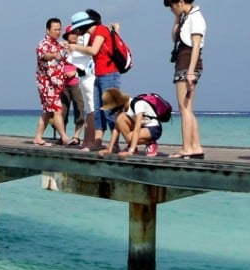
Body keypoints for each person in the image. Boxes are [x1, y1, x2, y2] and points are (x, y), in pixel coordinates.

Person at [164, 0, 207, 159]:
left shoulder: (196, 18)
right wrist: (176, 18)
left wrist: (190, 72)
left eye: (172, 6)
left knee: (184, 108)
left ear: (180, 2)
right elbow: (175, 38)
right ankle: (195, 146)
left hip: (188, 64)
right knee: (188, 108)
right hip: (184, 63)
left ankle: (187, 147)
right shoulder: (186, 17)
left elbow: (196, 44)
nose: (171, 9)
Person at [68, 9, 119, 150]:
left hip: (109, 74)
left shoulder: (101, 30)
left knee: (110, 110)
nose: (77, 32)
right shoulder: (92, 35)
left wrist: (75, 47)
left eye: (77, 28)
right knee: (98, 110)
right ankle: (97, 142)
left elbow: (93, 51)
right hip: (99, 74)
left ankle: (115, 144)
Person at [33, 18, 74, 146]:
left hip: (56, 83)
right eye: (55, 29)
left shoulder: (58, 44)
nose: (58, 32)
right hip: (46, 84)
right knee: (57, 109)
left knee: (48, 111)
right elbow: (43, 55)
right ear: (48, 30)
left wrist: (68, 48)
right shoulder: (43, 44)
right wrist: (54, 54)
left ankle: (38, 138)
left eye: (59, 29)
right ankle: (65, 137)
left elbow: (66, 58)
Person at [97, 88, 163, 158]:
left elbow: (137, 129)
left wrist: (130, 151)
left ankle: (150, 143)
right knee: (120, 118)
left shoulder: (137, 105)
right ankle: (133, 147)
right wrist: (109, 149)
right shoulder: (122, 108)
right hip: (142, 127)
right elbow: (116, 129)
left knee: (130, 137)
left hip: (154, 128)